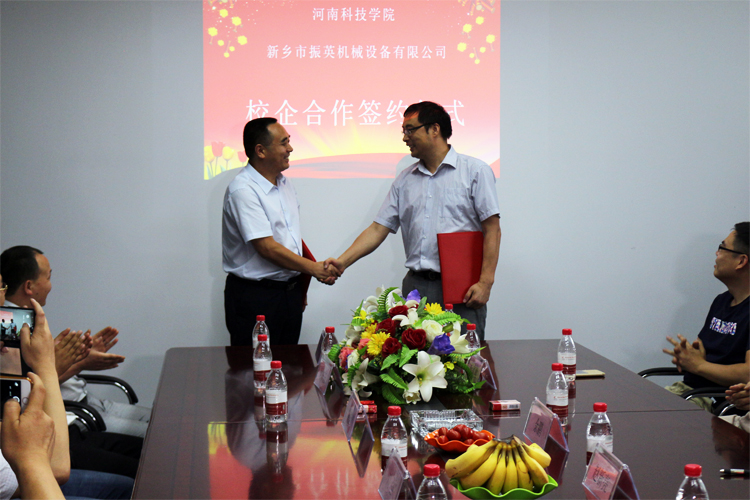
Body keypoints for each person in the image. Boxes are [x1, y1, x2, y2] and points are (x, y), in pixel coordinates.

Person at [324, 101, 501, 339]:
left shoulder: (475, 171)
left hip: (462, 289)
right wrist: (342, 263)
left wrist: (486, 283)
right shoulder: (405, 180)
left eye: (410, 130)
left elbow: (492, 229)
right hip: (416, 289)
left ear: (434, 129)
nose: (405, 137)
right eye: (403, 131)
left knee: (463, 358)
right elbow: (378, 229)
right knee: (415, 356)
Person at [0, 246, 150, 437]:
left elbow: (44, 367)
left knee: (162, 420)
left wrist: (80, 353)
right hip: (73, 411)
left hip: (85, 401)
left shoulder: (27, 318)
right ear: (29, 287)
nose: (51, 285)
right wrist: (81, 362)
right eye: (48, 277)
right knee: (156, 435)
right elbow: (27, 390)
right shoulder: (10, 326)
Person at [222, 117, 338, 347]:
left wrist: (302, 280)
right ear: (260, 151)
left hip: (289, 293)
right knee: (254, 364)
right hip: (256, 297)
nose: (290, 148)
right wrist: (314, 269)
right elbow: (267, 247)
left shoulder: (285, 184)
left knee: (289, 363)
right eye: (284, 143)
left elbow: (289, 238)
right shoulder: (243, 190)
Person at [663, 222, 750, 411]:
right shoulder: (721, 301)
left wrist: (698, 365)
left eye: (722, 248)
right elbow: (699, 354)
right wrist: (686, 357)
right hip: (689, 392)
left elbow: (747, 373)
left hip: (713, 403)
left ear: (741, 261)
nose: (716, 254)